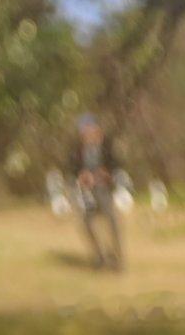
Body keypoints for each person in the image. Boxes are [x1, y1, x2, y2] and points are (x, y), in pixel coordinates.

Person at [71, 115, 124, 271]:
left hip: (104, 188)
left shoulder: (107, 146)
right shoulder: (78, 150)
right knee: (87, 222)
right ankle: (99, 257)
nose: (86, 134)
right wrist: (82, 175)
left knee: (112, 220)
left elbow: (117, 165)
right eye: (83, 131)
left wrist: (105, 173)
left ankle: (117, 257)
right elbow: (72, 168)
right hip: (87, 192)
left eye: (89, 130)